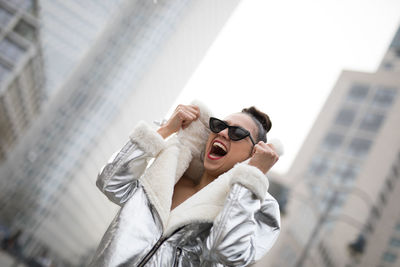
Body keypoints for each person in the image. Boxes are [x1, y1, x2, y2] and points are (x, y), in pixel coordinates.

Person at [90, 101, 281, 267]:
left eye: (237, 132)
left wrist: (252, 176)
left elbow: (229, 252)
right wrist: (165, 131)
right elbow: (109, 182)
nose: (222, 133)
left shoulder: (257, 208)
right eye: (219, 125)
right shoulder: (164, 175)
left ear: (253, 154)